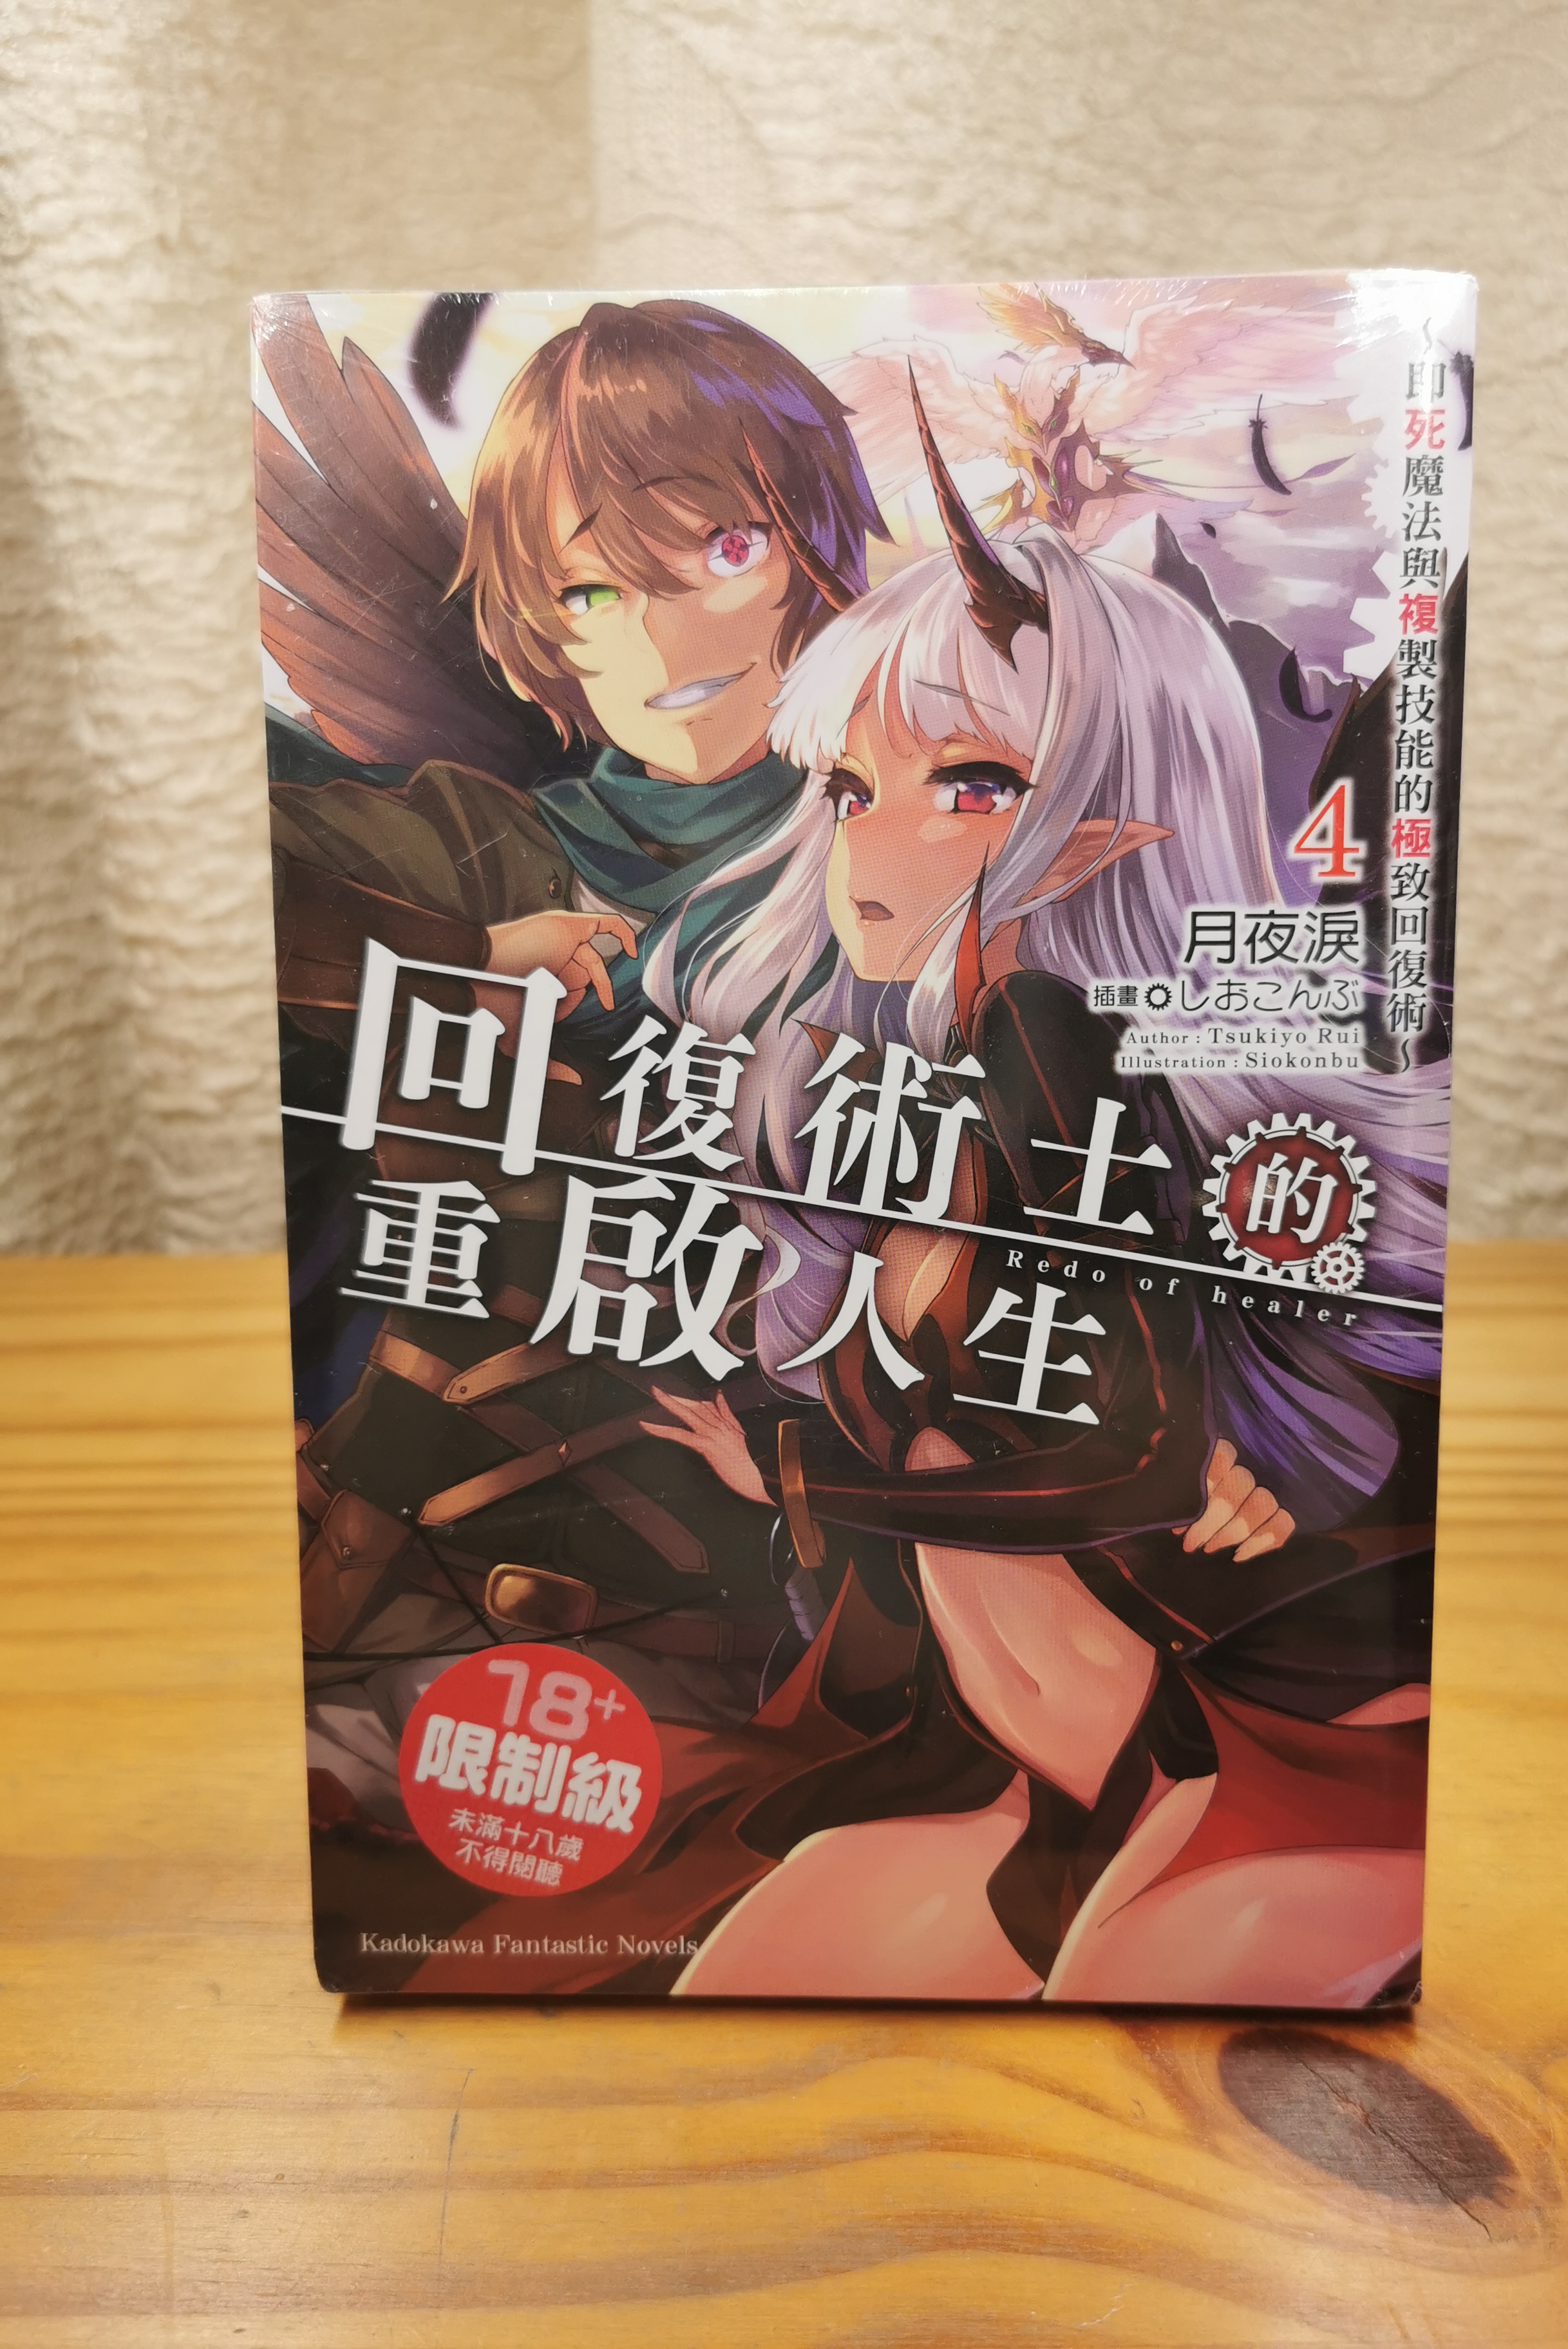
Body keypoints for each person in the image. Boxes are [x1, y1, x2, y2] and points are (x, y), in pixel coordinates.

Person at [624, 425, 1446, 2002]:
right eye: (851, 787)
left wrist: (812, 1476)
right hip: (1035, 1791)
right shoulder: (905, 1107)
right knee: (737, 1980)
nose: (871, 845)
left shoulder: (1066, 1054)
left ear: (1112, 809)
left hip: (1227, 1766)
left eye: (973, 784)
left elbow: (1139, 1455)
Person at [258, 296, 887, 1891]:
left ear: (817, 553)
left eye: (723, 551)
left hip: (785, 1575)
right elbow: (238, 871)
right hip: (414, 1565)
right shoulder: (484, 843)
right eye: (596, 590)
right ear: (537, 624)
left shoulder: (908, 844)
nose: (662, 643)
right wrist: (470, 950)